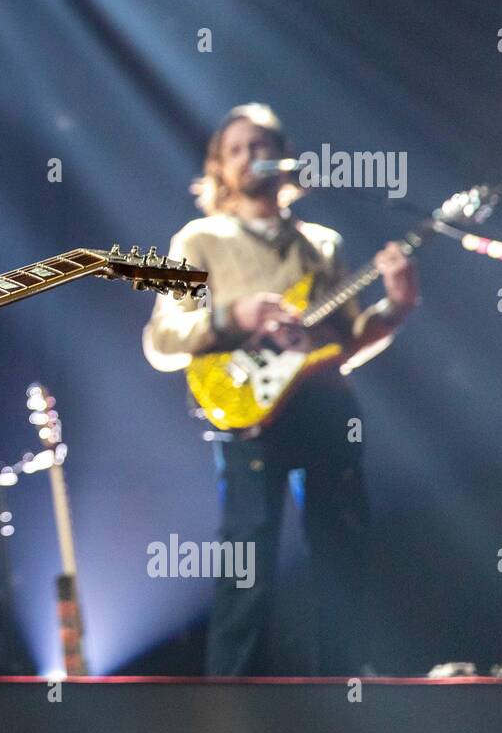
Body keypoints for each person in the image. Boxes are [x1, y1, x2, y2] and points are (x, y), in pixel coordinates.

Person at [142, 103, 418, 676]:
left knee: (343, 551)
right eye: (236, 148)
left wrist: (396, 306)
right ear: (220, 166)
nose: (250, 157)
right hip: (248, 415)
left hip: (326, 407)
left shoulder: (323, 243)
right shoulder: (200, 240)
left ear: (284, 159)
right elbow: (162, 340)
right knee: (249, 561)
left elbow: (349, 342)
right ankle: (235, 706)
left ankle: (346, 693)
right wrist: (233, 316)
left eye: (261, 145)